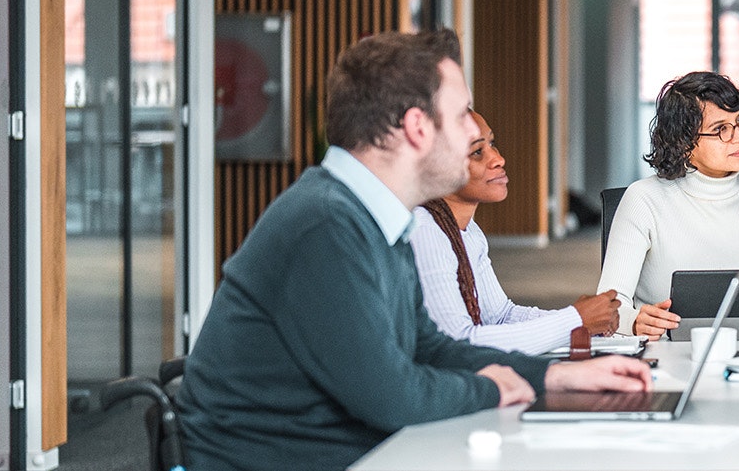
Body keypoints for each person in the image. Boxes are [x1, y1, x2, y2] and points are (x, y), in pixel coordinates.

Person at [177, 30, 651, 471]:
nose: (473, 133)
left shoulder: (377, 216)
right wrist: (491, 388)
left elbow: (429, 347)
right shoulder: (325, 226)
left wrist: (552, 378)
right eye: (463, 114)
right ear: (417, 128)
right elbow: (391, 395)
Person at [597, 71, 739, 339]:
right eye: (720, 129)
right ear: (684, 142)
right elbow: (610, 305)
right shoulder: (643, 200)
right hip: (665, 356)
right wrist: (634, 321)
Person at [411, 110, 620, 355]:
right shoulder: (425, 230)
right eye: (477, 152)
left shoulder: (469, 231)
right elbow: (459, 344)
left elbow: (500, 316)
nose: (498, 159)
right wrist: (574, 321)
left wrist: (579, 318)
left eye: (492, 144)